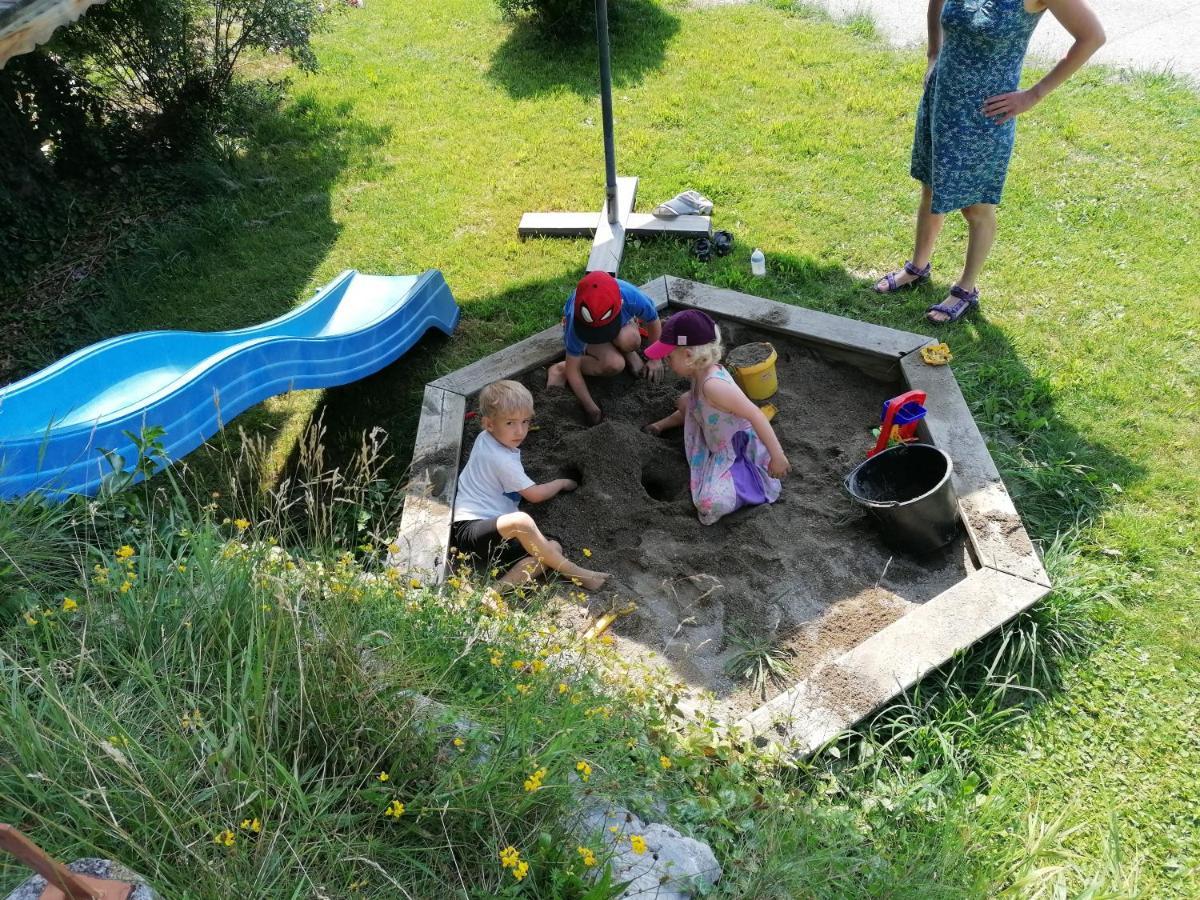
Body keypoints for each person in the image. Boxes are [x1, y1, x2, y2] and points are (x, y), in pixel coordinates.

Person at [874, 0, 1105, 324]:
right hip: (942, 98)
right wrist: (933, 54)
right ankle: (918, 266)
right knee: (931, 184)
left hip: (985, 117)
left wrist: (1033, 95)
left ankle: (966, 288)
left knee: (976, 207)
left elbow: (1092, 37)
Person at [451, 380, 609, 590]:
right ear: (489, 424)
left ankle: (495, 591)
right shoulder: (502, 460)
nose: (520, 431)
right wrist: (560, 483)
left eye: (525, 421)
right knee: (522, 521)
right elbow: (534, 495)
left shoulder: (487, 437)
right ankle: (575, 572)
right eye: (510, 423)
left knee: (551, 549)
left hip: (493, 538)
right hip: (470, 530)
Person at [642, 310, 791, 526]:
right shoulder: (698, 374)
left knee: (708, 504)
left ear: (689, 355)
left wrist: (778, 457)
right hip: (714, 428)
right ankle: (661, 426)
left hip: (737, 450)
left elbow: (755, 415)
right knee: (685, 401)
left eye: (669, 356)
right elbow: (695, 406)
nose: (666, 360)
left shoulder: (713, 386)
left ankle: (748, 483)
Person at [547, 271, 665, 425]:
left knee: (632, 340)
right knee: (614, 364)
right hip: (590, 333)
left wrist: (655, 358)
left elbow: (653, 320)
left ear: (621, 303)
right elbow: (573, 369)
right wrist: (591, 408)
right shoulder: (575, 321)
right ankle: (560, 368)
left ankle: (627, 351)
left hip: (621, 324)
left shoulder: (631, 298)